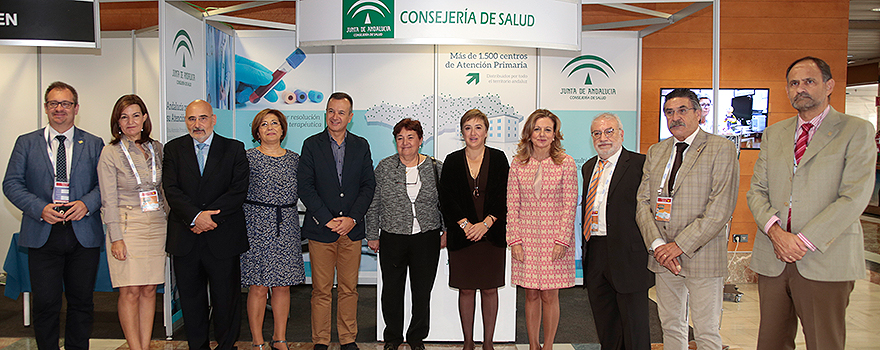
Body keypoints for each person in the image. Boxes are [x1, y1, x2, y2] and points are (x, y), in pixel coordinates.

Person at [746, 56, 875, 350]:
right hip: (774, 256)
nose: (800, 89)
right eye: (794, 83)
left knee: (823, 342)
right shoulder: (774, 133)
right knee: (771, 342)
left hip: (824, 258)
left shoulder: (855, 130)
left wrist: (802, 241)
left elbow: (853, 196)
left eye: (809, 81)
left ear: (828, 85)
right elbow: (757, 191)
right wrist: (777, 234)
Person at [3, 81, 104, 350]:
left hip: (82, 232)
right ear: (46, 108)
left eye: (66, 103)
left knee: (81, 302)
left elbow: (104, 186)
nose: (60, 109)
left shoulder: (94, 143)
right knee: (46, 303)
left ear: (76, 108)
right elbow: (11, 183)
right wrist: (39, 208)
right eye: (53, 103)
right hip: (42, 232)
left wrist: (87, 203)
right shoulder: (26, 142)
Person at [635, 88, 739, 350]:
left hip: (701, 255)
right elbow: (642, 202)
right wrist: (659, 246)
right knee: (671, 325)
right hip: (663, 257)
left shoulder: (720, 148)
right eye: (669, 112)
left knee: (705, 331)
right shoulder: (657, 151)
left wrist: (678, 246)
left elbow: (720, 208)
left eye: (682, 110)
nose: (675, 117)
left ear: (699, 113)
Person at [163, 99, 249, 350]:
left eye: (202, 118)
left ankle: (226, 346)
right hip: (186, 236)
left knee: (226, 300)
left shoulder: (234, 148)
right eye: (191, 119)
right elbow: (171, 189)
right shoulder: (173, 149)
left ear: (213, 119)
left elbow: (238, 191)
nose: (197, 124)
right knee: (191, 300)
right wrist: (195, 217)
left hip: (222, 236)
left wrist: (209, 218)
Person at [298, 92, 376, 350]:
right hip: (321, 230)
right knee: (321, 290)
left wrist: (352, 219)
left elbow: (368, 186)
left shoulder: (361, 145)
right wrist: (327, 219)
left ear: (350, 117)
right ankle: (320, 340)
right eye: (331, 111)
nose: (335, 116)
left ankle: (347, 339)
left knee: (348, 289)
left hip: (351, 232)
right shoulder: (311, 144)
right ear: (326, 113)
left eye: (341, 112)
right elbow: (305, 187)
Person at [365, 118, 444, 350]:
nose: (405, 142)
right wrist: (372, 234)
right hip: (392, 236)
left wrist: (446, 231)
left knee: (422, 290)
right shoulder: (384, 167)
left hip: (427, 237)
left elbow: (446, 203)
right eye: (400, 138)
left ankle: (416, 336)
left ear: (420, 140)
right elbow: (374, 203)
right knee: (391, 291)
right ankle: (392, 338)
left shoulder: (435, 167)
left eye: (410, 137)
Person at [97, 94, 166, 350]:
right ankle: (134, 347)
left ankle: (145, 346)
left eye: (136, 115)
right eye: (124, 117)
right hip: (127, 226)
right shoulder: (110, 152)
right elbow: (108, 199)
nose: (130, 122)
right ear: (117, 121)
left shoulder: (156, 148)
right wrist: (115, 237)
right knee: (130, 290)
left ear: (145, 118)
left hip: (157, 224)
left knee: (149, 288)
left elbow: (164, 192)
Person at [506, 109, 578, 350]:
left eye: (548, 129)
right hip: (525, 240)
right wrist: (514, 240)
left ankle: (548, 346)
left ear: (555, 134)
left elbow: (570, 205)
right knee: (531, 295)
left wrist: (562, 240)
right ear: (529, 133)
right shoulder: (518, 163)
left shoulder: (565, 163)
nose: (542, 134)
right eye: (537, 129)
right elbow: (511, 204)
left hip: (555, 241)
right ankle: (533, 345)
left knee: (549, 295)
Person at [581, 113, 653, 350]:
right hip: (596, 253)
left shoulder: (641, 164)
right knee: (606, 325)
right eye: (597, 133)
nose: (603, 138)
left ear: (621, 134)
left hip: (629, 256)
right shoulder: (588, 166)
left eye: (609, 131)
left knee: (634, 328)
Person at [439, 109, 509, 350]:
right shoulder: (452, 160)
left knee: (490, 289)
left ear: (487, 132)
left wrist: (486, 224)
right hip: (463, 236)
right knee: (466, 290)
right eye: (468, 127)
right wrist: (466, 225)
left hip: (492, 236)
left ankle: (488, 343)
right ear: (462, 132)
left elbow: (504, 195)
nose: (473, 132)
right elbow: (446, 198)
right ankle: (468, 343)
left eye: (478, 127)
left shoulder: (499, 158)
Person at [240, 109, 304, 350]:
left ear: (283, 129)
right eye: (264, 124)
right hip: (255, 224)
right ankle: (257, 340)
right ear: (257, 131)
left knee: (282, 285)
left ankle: (280, 339)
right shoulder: (247, 158)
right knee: (257, 285)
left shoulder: (295, 159)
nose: (270, 128)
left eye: (275, 123)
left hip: (286, 224)